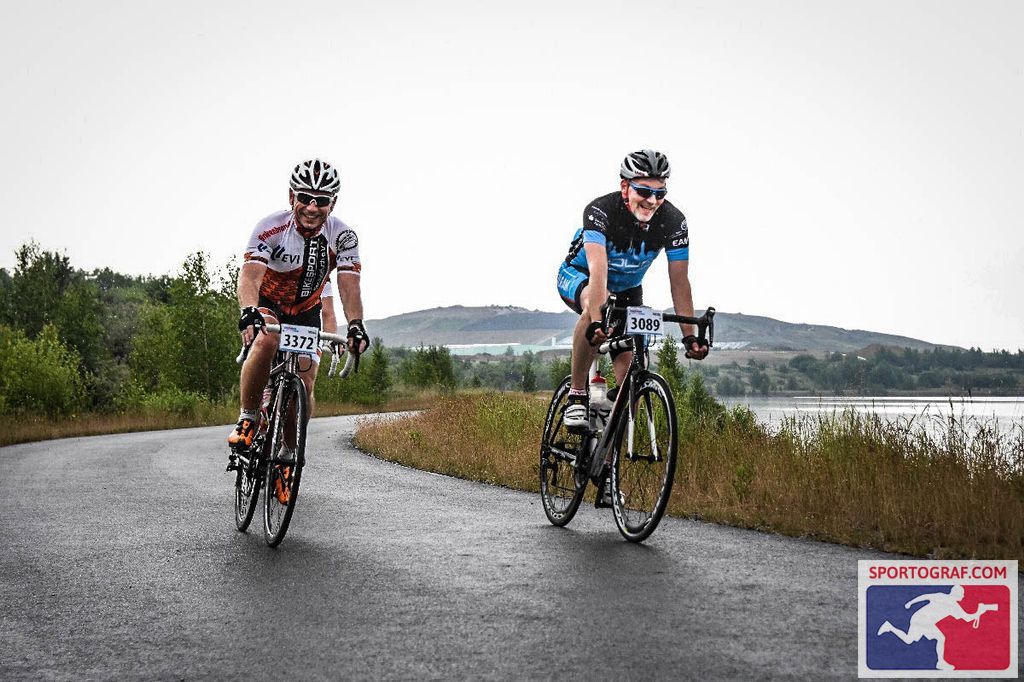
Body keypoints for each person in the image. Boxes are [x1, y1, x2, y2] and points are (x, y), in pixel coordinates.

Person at [556, 149, 709, 430]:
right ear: (625, 187)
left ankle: (603, 454)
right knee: (593, 304)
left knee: (630, 375)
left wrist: (689, 337)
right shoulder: (600, 211)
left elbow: (679, 281)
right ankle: (577, 395)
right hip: (582, 276)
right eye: (644, 191)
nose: (652, 201)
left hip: (628, 290)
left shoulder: (674, 222)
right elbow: (598, 268)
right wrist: (598, 318)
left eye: (660, 193)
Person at [228, 158, 369, 456]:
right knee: (267, 338)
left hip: (305, 311)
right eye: (305, 198)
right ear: (292, 197)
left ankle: (288, 452)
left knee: (304, 384)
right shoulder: (270, 228)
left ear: (333, 203)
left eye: (321, 201)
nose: (312, 207)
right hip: (268, 304)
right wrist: (248, 310)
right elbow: (250, 276)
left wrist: (355, 324)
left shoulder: (343, 237)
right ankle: (249, 417)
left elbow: (348, 284)